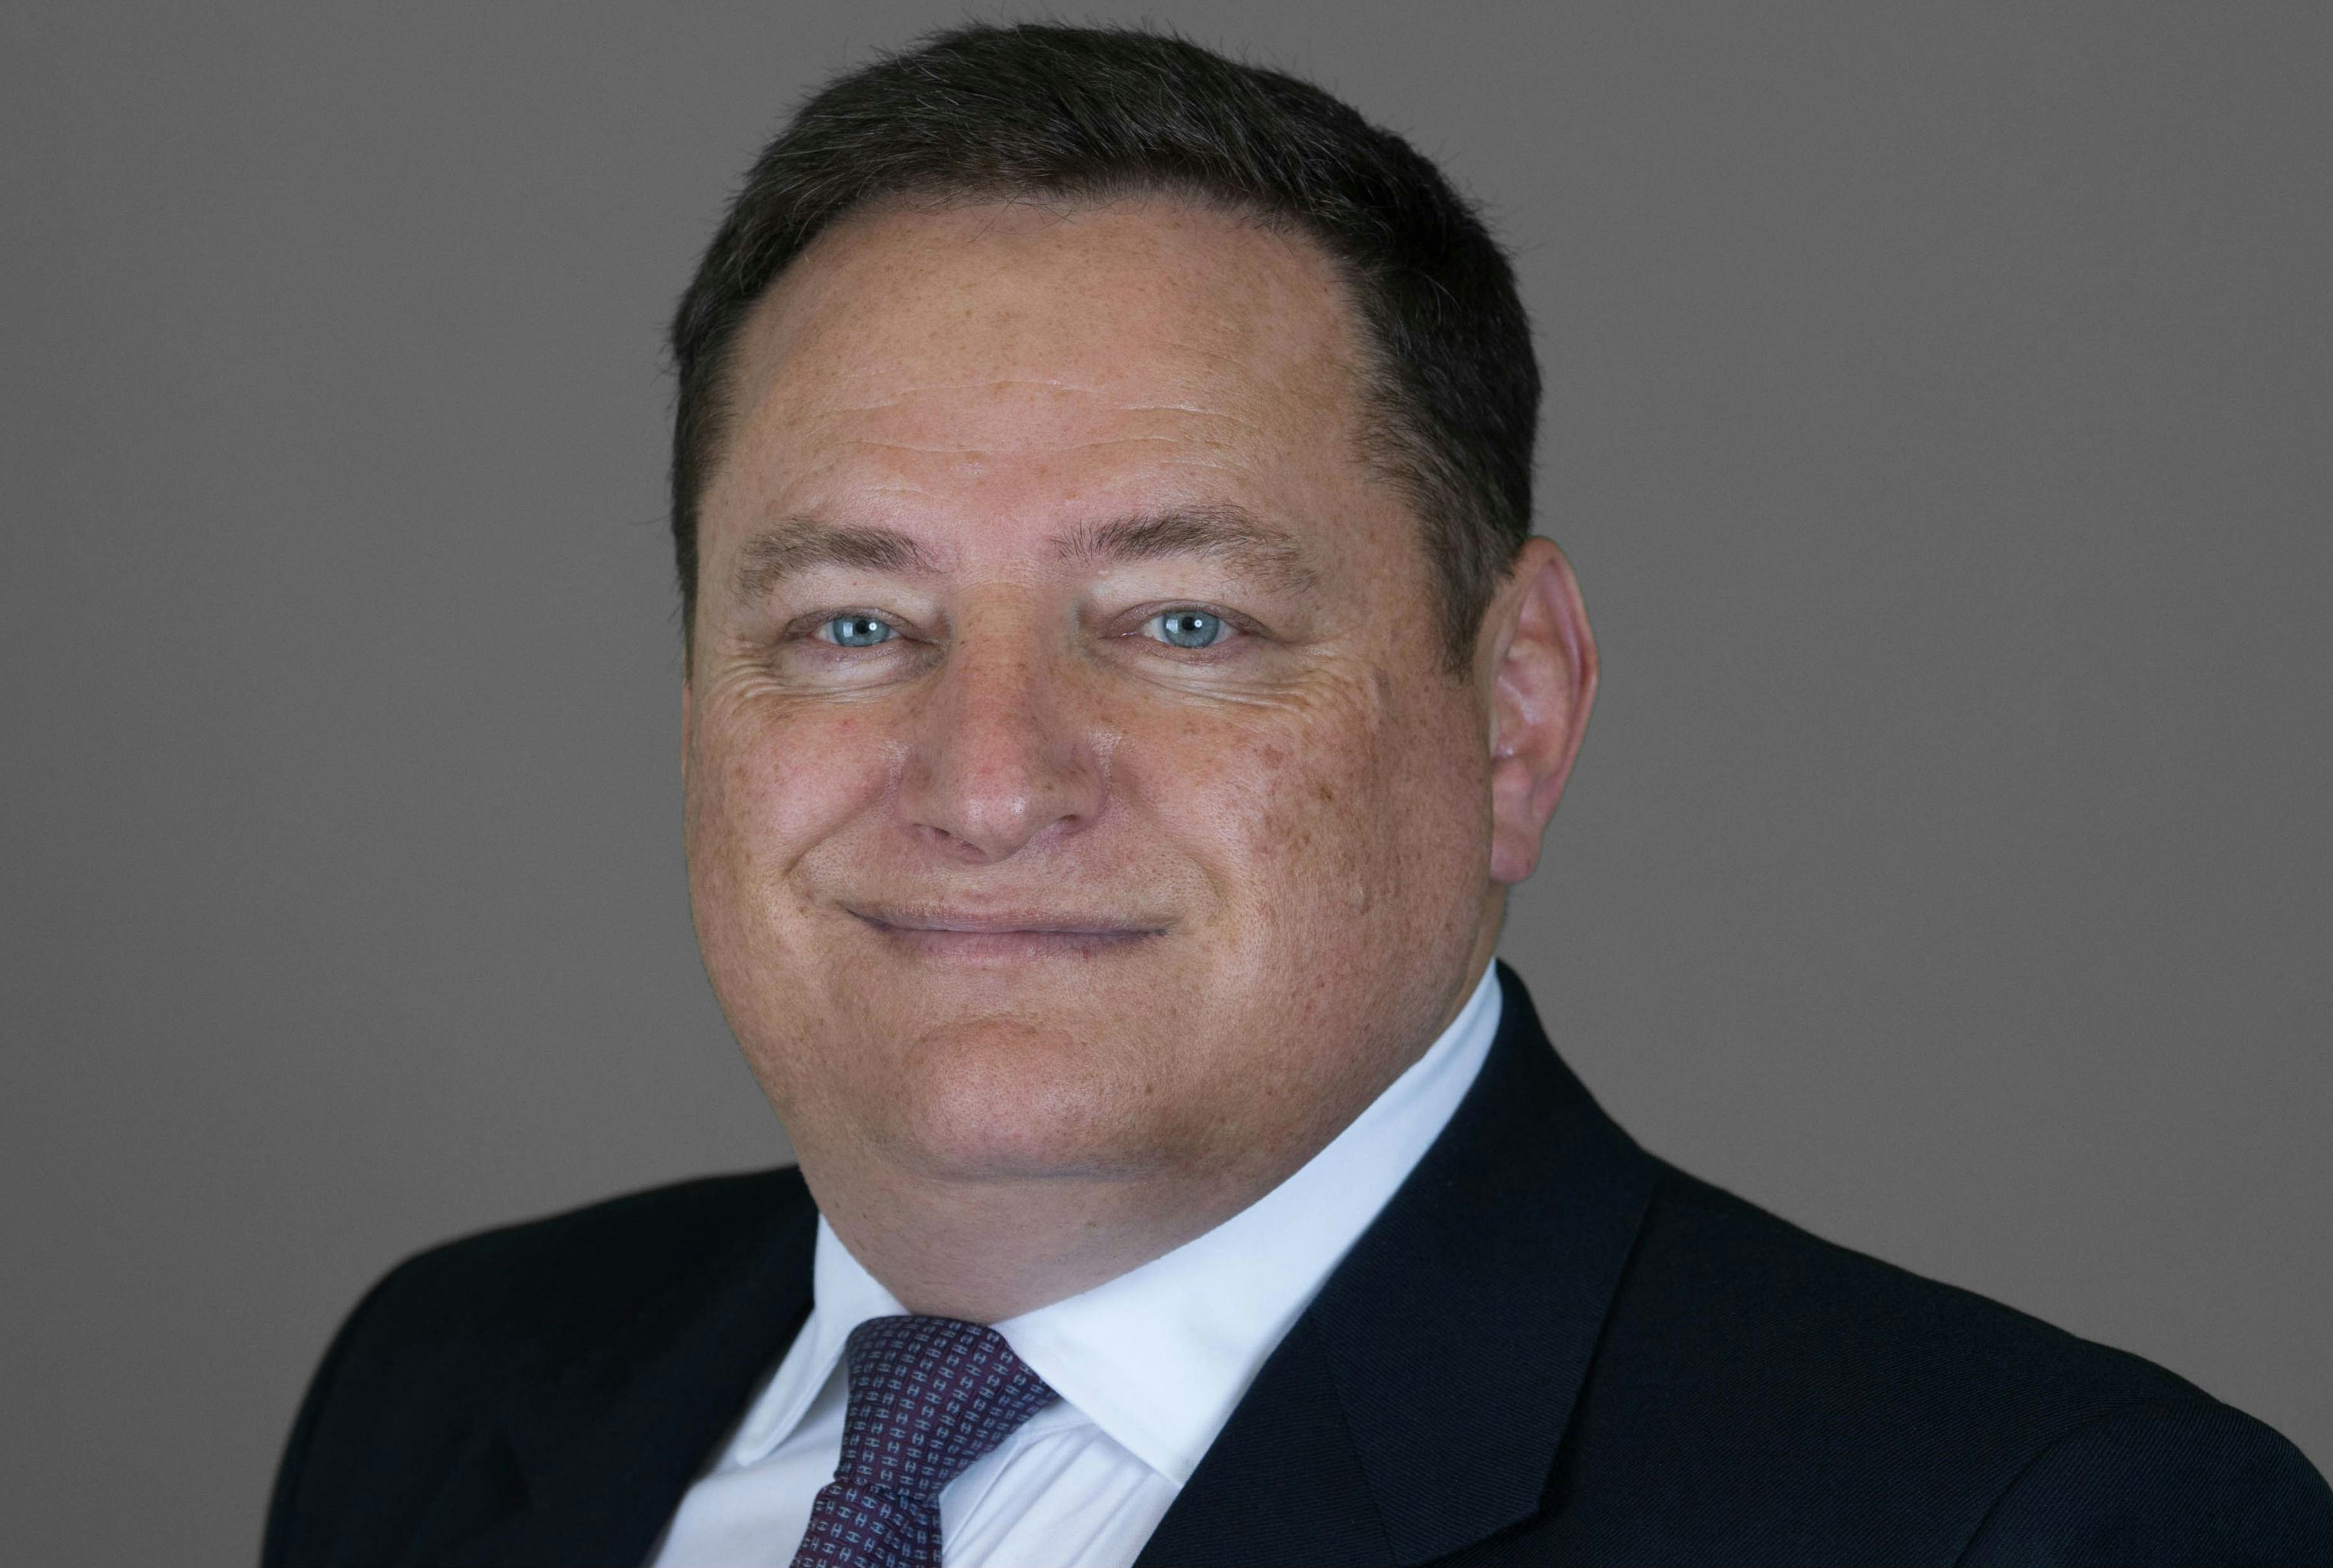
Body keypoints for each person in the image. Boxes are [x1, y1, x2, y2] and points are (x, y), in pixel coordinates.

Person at [262, 22, 2333, 1568]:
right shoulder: (446, 1388)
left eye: (1181, 622)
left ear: (1514, 712)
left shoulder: (2027, 1527)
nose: (988, 781)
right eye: (852, 622)